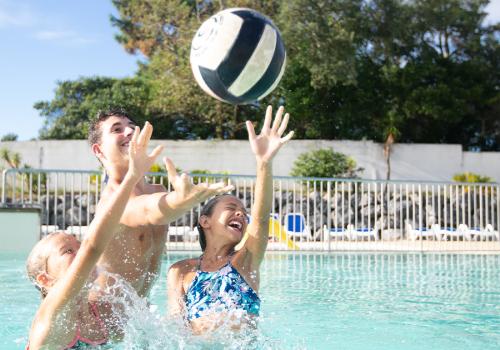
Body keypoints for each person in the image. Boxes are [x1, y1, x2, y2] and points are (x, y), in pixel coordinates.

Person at [87, 111, 233, 337]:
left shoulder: (157, 190)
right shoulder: (111, 200)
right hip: (101, 323)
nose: (129, 131)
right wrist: (180, 200)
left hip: (137, 315)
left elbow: (156, 203)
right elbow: (150, 210)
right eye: (117, 129)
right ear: (99, 150)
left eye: (131, 126)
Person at [26, 124, 162, 349]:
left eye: (78, 246)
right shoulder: (51, 317)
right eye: (68, 251)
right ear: (45, 280)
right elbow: (93, 247)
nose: (80, 253)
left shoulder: (101, 314)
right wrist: (131, 177)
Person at [167, 105, 293, 334]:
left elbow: (261, 220)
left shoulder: (246, 260)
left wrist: (264, 162)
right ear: (205, 221)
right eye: (231, 207)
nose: (241, 214)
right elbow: (177, 329)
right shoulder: (180, 271)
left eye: (244, 212)